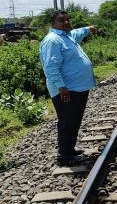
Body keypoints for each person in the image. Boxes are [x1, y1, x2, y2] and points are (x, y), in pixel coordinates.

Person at [40, 10, 97, 166]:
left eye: (66, 19)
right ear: (53, 23)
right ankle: (64, 156)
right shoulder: (53, 40)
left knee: (74, 120)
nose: (65, 22)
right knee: (67, 121)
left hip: (76, 87)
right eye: (61, 20)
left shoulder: (67, 36)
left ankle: (70, 150)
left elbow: (78, 33)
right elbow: (50, 67)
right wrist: (61, 87)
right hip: (66, 89)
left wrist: (88, 28)